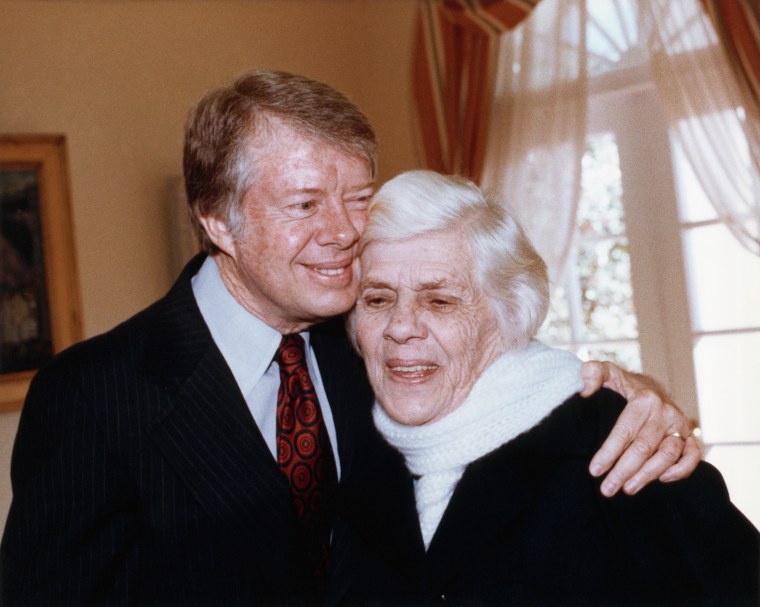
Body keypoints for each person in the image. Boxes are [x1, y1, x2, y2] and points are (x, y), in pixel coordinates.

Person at [1, 71, 698, 605]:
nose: (343, 232)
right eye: (305, 204)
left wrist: (632, 396)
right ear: (217, 218)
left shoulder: (378, 342)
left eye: (360, 197)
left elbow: (515, 390)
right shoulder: (94, 395)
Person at [335, 170, 759, 606]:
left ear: (509, 313)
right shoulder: (349, 447)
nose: (401, 327)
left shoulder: (616, 440)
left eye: (440, 301)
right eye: (378, 300)